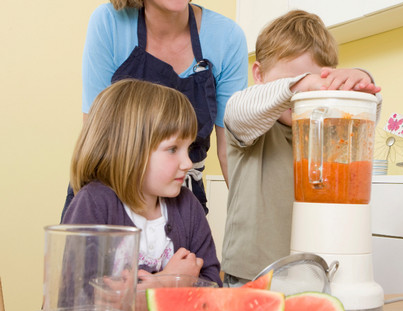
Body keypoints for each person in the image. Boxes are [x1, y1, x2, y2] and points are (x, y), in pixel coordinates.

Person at [220, 10, 382, 287]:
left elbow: (371, 106)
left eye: (314, 83)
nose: (300, 97)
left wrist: (360, 78)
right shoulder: (250, 127)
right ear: (258, 75)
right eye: (291, 84)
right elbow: (238, 107)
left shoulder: (329, 130)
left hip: (315, 275)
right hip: (253, 275)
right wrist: (300, 85)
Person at [63, 0, 248, 217]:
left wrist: (249, 224)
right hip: (112, 188)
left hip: (179, 194)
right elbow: (96, 141)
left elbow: (230, 153)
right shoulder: (109, 22)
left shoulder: (227, 37)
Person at [62, 79, 222, 286]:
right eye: (173, 149)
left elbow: (213, 285)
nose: (188, 163)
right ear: (128, 150)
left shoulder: (188, 206)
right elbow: (77, 295)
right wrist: (166, 283)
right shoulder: (93, 205)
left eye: (188, 148)